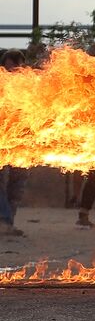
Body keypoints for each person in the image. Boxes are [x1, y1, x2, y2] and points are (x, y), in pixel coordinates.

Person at [0, 50, 27, 236]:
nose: (13, 72)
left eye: (17, 68)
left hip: (22, 142)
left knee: (18, 184)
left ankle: (8, 222)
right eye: (10, 68)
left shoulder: (28, 88)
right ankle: (5, 220)